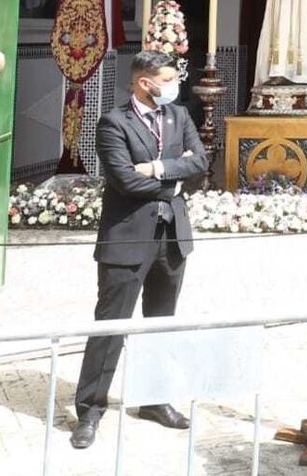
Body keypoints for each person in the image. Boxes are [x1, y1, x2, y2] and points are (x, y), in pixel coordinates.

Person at [71, 50, 213, 449]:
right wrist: (175, 180)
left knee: (160, 322)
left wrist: (158, 169)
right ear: (145, 83)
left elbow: (201, 163)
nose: (175, 86)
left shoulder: (179, 116)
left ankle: (154, 398)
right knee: (110, 325)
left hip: (172, 236)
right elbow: (124, 181)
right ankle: (90, 408)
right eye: (167, 80)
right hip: (128, 238)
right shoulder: (114, 123)